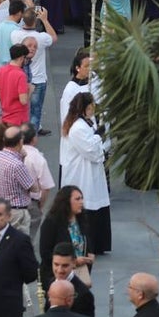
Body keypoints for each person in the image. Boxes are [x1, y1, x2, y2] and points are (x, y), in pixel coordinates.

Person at [60, 94, 111, 255]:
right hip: (82, 173)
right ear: (83, 109)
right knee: (87, 204)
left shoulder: (85, 123)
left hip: (90, 171)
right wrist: (98, 137)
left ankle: (98, 244)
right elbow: (91, 151)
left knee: (95, 202)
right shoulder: (77, 128)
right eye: (90, 108)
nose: (92, 111)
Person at [38, 187, 94, 291]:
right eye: (77, 199)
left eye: (81, 198)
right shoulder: (51, 223)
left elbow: (86, 241)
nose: (81, 202)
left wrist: (90, 253)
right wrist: (74, 261)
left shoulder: (81, 220)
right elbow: (45, 253)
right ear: (66, 202)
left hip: (78, 275)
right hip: (57, 277)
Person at [45, 242, 95, 317]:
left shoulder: (84, 294)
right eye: (56, 264)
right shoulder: (51, 283)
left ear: (74, 263)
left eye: (65, 265)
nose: (60, 270)